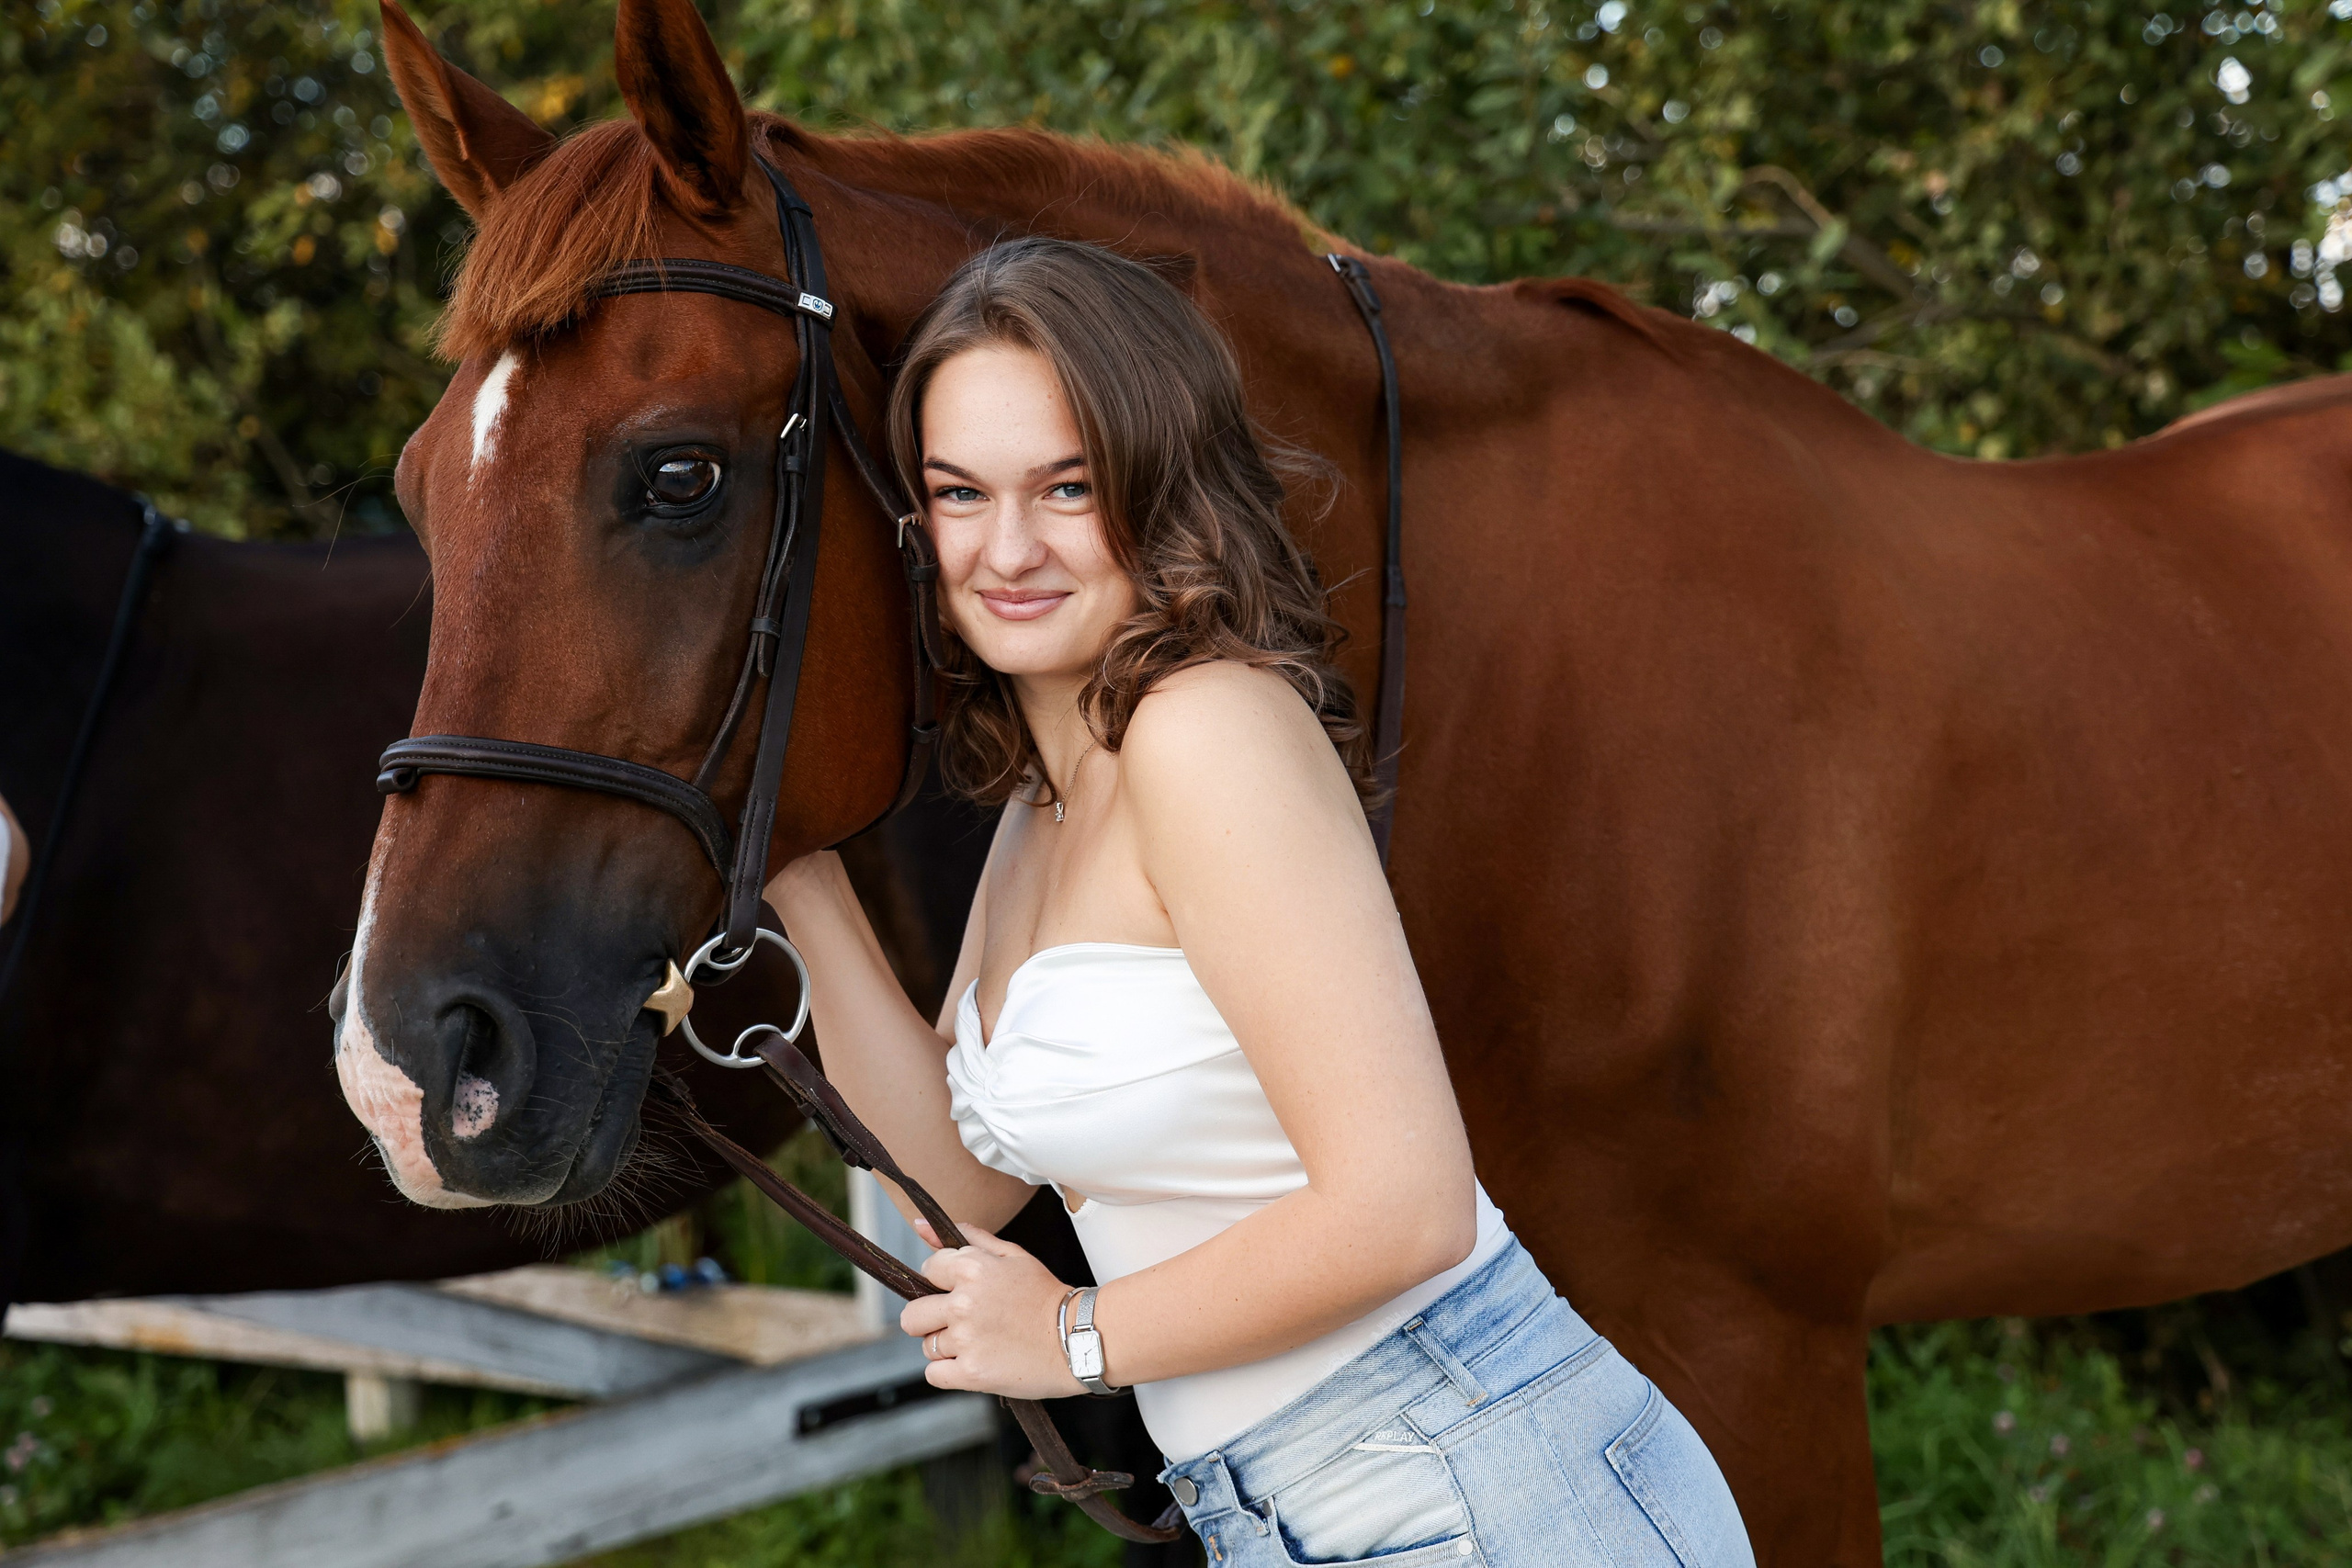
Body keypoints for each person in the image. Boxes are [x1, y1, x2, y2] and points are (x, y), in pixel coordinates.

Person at [763, 238, 1753, 1565]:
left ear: (1160, 487)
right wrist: (792, 864)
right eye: (959, 493)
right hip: (1291, 1508)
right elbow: (956, 1178)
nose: (1007, 548)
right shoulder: (1038, 810)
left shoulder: (1207, 728)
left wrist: (1073, 1339)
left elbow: (1407, 1206)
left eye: (1067, 487)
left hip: (1480, 1479)